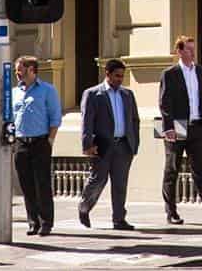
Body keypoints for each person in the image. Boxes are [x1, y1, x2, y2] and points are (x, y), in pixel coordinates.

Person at [156, 34, 202, 225]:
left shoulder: (201, 71)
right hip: (178, 125)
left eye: (193, 49)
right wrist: (168, 128)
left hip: (197, 125)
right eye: (188, 49)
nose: (192, 53)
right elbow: (164, 102)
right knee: (172, 169)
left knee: (199, 168)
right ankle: (171, 211)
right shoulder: (170, 74)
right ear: (179, 51)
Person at [77, 58, 139, 231]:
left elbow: (134, 120)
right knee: (98, 180)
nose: (120, 79)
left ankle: (119, 219)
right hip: (102, 146)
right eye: (117, 76)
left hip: (123, 146)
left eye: (122, 76)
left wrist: (134, 144)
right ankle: (84, 207)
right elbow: (86, 122)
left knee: (120, 184)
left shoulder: (127, 94)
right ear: (108, 74)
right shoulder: (93, 94)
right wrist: (87, 145)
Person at [9, 55, 62, 237]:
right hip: (21, 142)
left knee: (42, 184)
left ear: (31, 70)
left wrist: (50, 140)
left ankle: (46, 222)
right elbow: (9, 119)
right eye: (16, 70)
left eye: (20, 70)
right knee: (26, 185)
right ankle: (33, 222)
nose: (17, 73)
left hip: (41, 141)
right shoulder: (15, 93)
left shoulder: (47, 90)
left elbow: (55, 117)